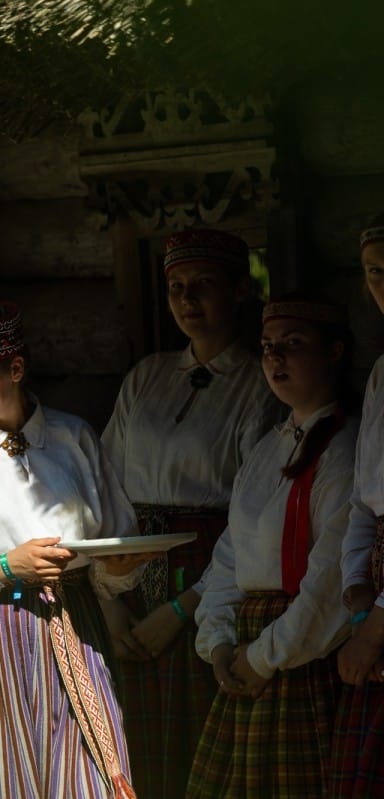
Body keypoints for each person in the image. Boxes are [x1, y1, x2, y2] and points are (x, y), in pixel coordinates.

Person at [0, 300, 151, 798]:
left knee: (86, 780)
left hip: (76, 631)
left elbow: (114, 541)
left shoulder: (72, 436)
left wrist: (117, 568)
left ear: (15, 369)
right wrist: (1, 569)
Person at [100, 228, 281, 797]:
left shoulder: (260, 382)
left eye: (203, 285)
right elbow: (106, 490)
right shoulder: (147, 376)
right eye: (177, 286)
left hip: (209, 578)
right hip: (131, 580)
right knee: (134, 752)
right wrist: (112, 605)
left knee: (198, 753)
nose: (187, 299)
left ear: (239, 292)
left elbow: (254, 516)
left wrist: (181, 610)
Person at [187, 294, 358, 797]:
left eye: (293, 344)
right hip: (246, 652)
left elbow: (330, 578)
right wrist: (217, 640)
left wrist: (264, 658)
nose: (275, 358)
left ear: (335, 352)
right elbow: (230, 556)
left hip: (301, 656)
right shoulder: (268, 448)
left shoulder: (345, 450)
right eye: (267, 347)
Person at [331, 215, 384, 797]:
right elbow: (365, 501)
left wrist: (376, 628)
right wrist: (357, 593)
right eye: (374, 272)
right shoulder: (382, 376)